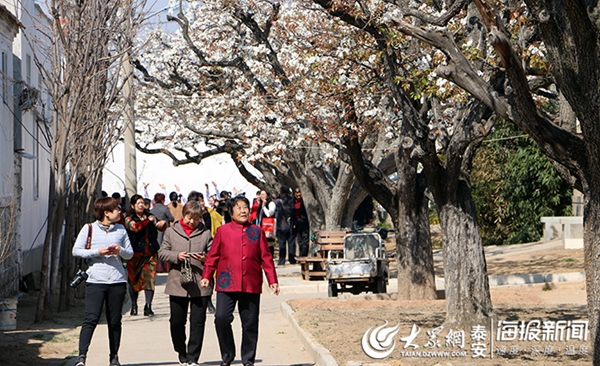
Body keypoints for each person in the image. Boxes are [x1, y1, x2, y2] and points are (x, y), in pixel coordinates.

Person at [200, 195, 280, 366]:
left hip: (251, 283)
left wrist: (272, 280)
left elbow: (266, 258)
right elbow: (213, 256)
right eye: (239, 207)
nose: (243, 210)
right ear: (231, 211)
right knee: (221, 318)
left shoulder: (256, 231)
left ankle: (248, 359)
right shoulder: (223, 231)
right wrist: (207, 275)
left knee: (250, 323)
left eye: (245, 207)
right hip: (226, 282)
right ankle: (227, 355)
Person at [72, 197, 133, 366]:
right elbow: (76, 251)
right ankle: (82, 356)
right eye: (116, 209)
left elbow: (130, 254)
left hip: (117, 280)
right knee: (91, 318)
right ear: (106, 213)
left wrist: (119, 250)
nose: (119, 212)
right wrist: (97, 252)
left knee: (114, 321)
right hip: (96, 280)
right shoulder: (89, 228)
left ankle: (114, 357)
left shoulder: (121, 229)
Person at [158, 200, 214, 366]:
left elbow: (214, 254)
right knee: (176, 321)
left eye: (196, 219)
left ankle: (193, 356)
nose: (192, 221)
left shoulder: (205, 233)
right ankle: (181, 351)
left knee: (197, 322)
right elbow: (162, 252)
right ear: (183, 215)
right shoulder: (171, 231)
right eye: (189, 217)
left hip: (200, 284)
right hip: (177, 282)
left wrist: (205, 258)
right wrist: (177, 256)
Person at [125, 194, 167, 317]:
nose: (141, 205)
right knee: (134, 280)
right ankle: (134, 304)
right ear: (133, 205)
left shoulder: (151, 216)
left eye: (142, 202)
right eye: (138, 203)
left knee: (150, 278)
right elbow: (134, 228)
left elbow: (161, 227)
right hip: (135, 254)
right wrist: (148, 221)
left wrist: (162, 224)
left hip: (150, 253)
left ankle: (148, 306)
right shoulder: (128, 218)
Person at [151, 193, 175, 273]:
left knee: (157, 248)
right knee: (165, 248)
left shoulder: (152, 210)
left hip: (155, 231)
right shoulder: (165, 209)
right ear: (162, 200)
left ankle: (157, 267)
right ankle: (165, 268)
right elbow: (171, 218)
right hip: (164, 231)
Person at [274, 186, 295, 265]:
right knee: (291, 243)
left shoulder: (278, 201)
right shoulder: (292, 200)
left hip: (281, 225)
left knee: (281, 243)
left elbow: (272, 210)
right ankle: (292, 259)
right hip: (290, 225)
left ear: (281, 192)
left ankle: (281, 260)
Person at [291, 188, 310, 257]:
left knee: (305, 239)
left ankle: (304, 254)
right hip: (297, 222)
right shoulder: (293, 201)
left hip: (304, 221)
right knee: (299, 240)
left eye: (300, 196)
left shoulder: (304, 202)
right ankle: (300, 254)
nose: (299, 197)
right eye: (297, 196)